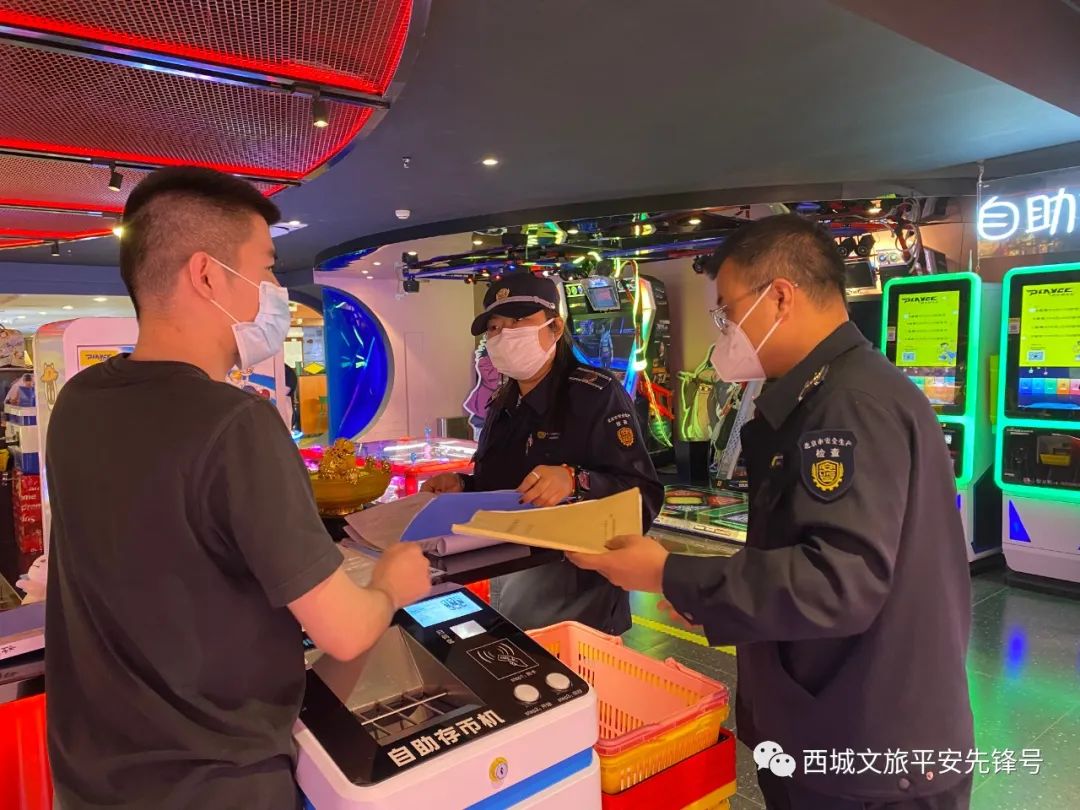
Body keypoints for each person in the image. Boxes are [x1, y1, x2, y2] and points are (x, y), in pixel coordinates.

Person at [45, 167, 431, 810]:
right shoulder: (235, 422)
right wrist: (393, 582)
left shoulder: (79, 401)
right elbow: (343, 630)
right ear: (206, 275)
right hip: (215, 782)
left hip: (87, 779)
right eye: (266, 268)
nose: (275, 292)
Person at [572, 215, 974, 810]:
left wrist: (668, 573)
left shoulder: (846, 404)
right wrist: (711, 598)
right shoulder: (830, 391)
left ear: (780, 296)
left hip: (867, 750)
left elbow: (838, 582)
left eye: (728, 312)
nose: (725, 331)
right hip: (839, 720)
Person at [423, 272, 663, 633]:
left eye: (518, 321)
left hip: (576, 598)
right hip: (508, 582)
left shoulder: (595, 395)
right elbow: (506, 488)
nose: (504, 335)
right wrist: (463, 485)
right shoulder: (503, 402)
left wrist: (575, 480)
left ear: (555, 328)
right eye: (495, 327)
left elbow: (642, 497)